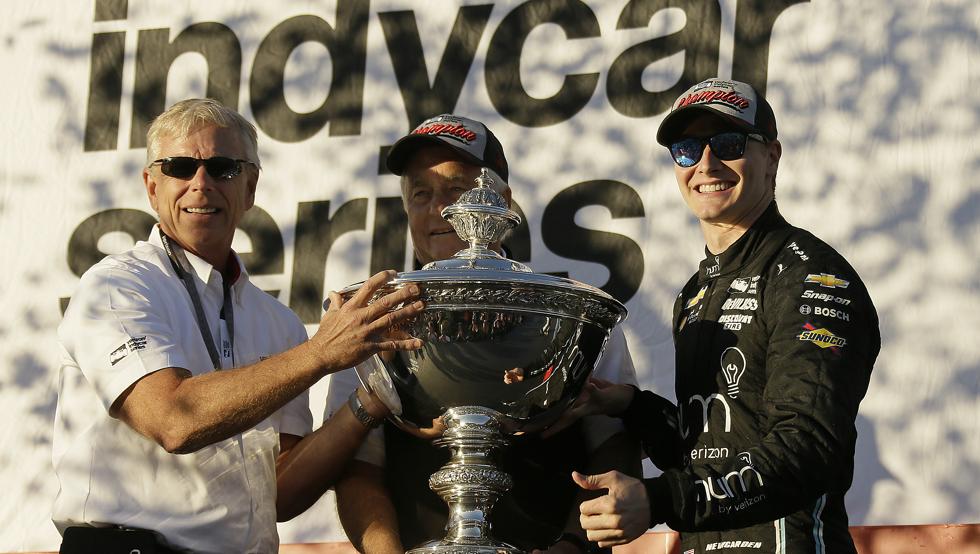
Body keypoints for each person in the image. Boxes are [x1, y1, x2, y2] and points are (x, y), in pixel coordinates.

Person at [52, 98, 423, 554]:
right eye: (180, 167)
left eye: (223, 168)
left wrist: (370, 402)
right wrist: (320, 353)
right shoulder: (118, 286)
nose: (200, 184)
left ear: (249, 188)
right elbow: (173, 421)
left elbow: (281, 494)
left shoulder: (279, 323)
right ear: (151, 187)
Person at [555, 79, 880, 552]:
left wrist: (659, 498)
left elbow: (808, 450)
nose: (705, 164)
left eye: (727, 144)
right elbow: (707, 449)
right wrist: (631, 405)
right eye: (687, 149)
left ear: (772, 156)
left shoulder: (812, 277)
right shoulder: (695, 292)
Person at [324, 114, 642, 554]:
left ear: (502, 201)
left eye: (456, 190)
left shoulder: (566, 317)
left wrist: (570, 548)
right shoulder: (372, 318)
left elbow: (614, 447)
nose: (439, 209)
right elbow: (360, 469)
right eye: (421, 193)